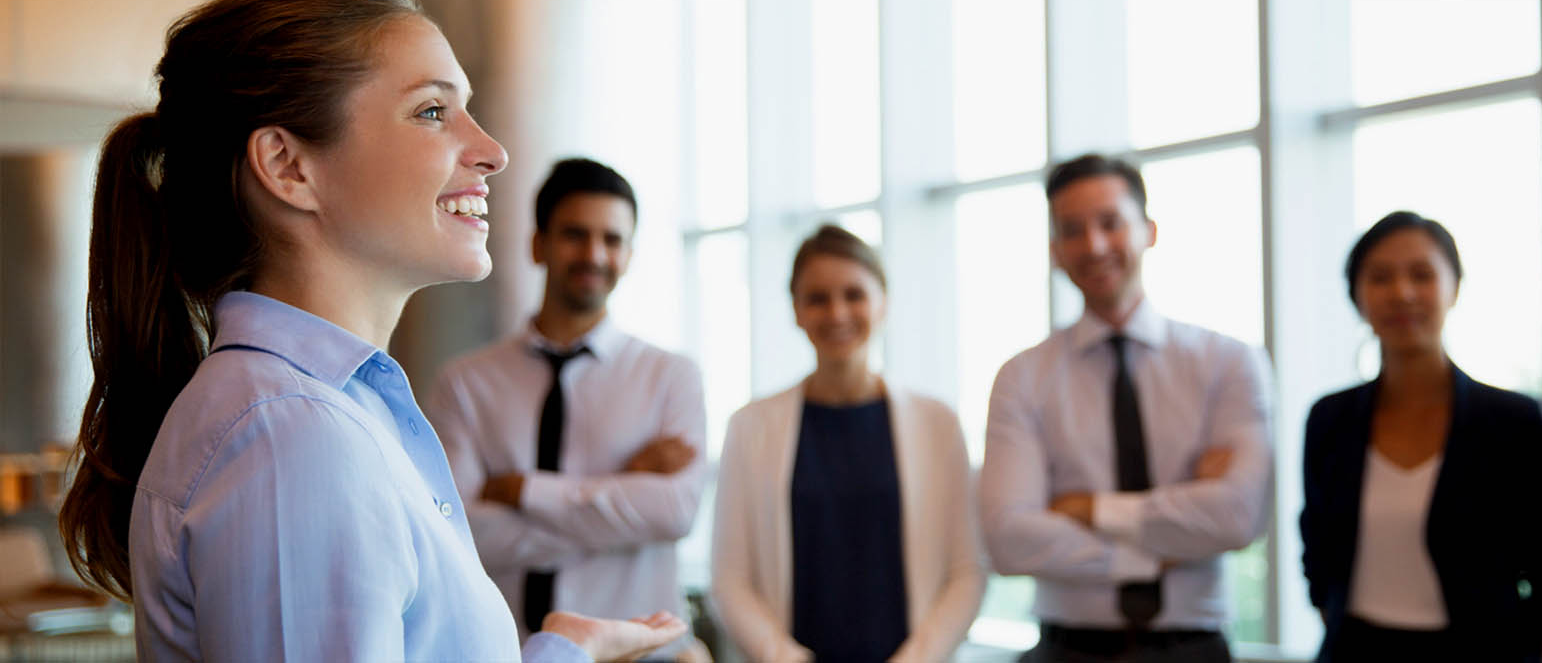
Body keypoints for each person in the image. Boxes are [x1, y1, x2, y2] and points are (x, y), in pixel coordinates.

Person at [54, 0, 682, 660]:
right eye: (432, 110)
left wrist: (567, 651)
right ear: (289, 166)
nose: (492, 151)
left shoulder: (325, 413)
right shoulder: (291, 435)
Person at [979, 153, 1275, 662]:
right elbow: (1009, 540)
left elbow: (1237, 516)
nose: (1094, 245)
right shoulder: (1021, 377)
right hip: (1065, 651)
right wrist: (1154, 547)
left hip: (1193, 650)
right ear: (1054, 250)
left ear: (1149, 231)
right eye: (1072, 230)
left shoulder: (1228, 362)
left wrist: (1087, 509)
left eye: (1110, 223)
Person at [427, 158, 707, 658]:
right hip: (510, 652)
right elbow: (461, 535)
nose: (594, 254)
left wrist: (525, 491)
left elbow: (674, 513)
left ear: (630, 254)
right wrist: (623, 491)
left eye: (612, 239)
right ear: (538, 245)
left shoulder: (671, 376)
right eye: (575, 235)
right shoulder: (464, 384)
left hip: (644, 655)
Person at [1299, 211, 1542, 662]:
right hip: (1356, 648)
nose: (1402, 293)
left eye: (1421, 274)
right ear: (1357, 295)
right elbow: (1317, 547)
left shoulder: (1516, 423)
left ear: (1455, 287)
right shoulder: (1330, 420)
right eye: (1380, 277)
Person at [710, 225, 985, 663]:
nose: (837, 313)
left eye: (854, 295)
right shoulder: (749, 427)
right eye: (817, 298)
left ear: (883, 302)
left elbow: (966, 571)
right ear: (796, 310)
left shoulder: (938, 423)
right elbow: (730, 579)